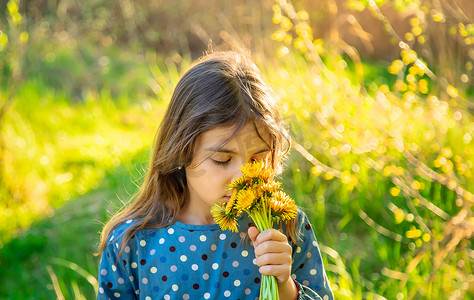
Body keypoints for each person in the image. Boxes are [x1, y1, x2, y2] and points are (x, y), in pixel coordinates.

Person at [96, 50, 334, 300]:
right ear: (181, 151)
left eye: (258, 159)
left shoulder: (286, 228)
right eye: (222, 159)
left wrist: (285, 288)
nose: (243, 178)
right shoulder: (132, 243)